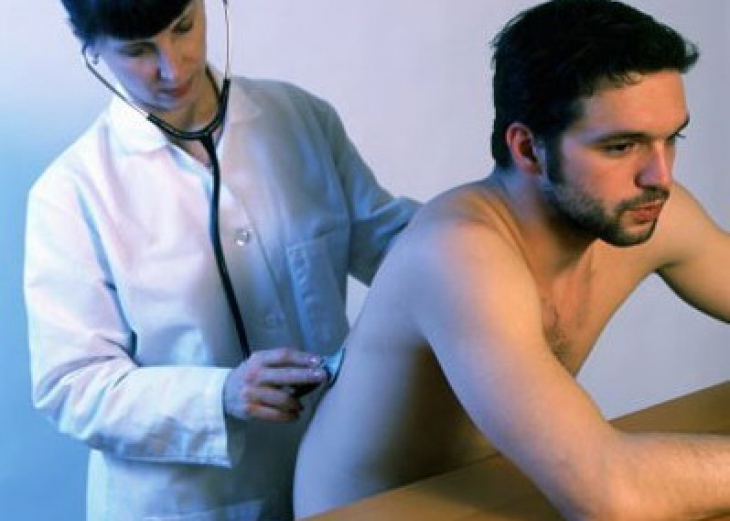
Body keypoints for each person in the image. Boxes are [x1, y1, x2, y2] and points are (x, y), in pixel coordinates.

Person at [294, 1, 730, 520]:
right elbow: (611, 494)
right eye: (620, 146)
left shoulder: (643, 208)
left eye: (670, 138)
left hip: (501, 495)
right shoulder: (457, 253)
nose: (659, 175)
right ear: (527, 148)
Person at [23, 0, 418, 520]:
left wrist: (486, 221)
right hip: (188, 506)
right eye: (138, 51)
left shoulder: (301, 120)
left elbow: (399, 250)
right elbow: (71, 387)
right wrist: (219, 396)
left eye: (184, 27)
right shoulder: (71, 194)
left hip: (331, 481)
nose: (173, 66)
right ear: (91, 49)